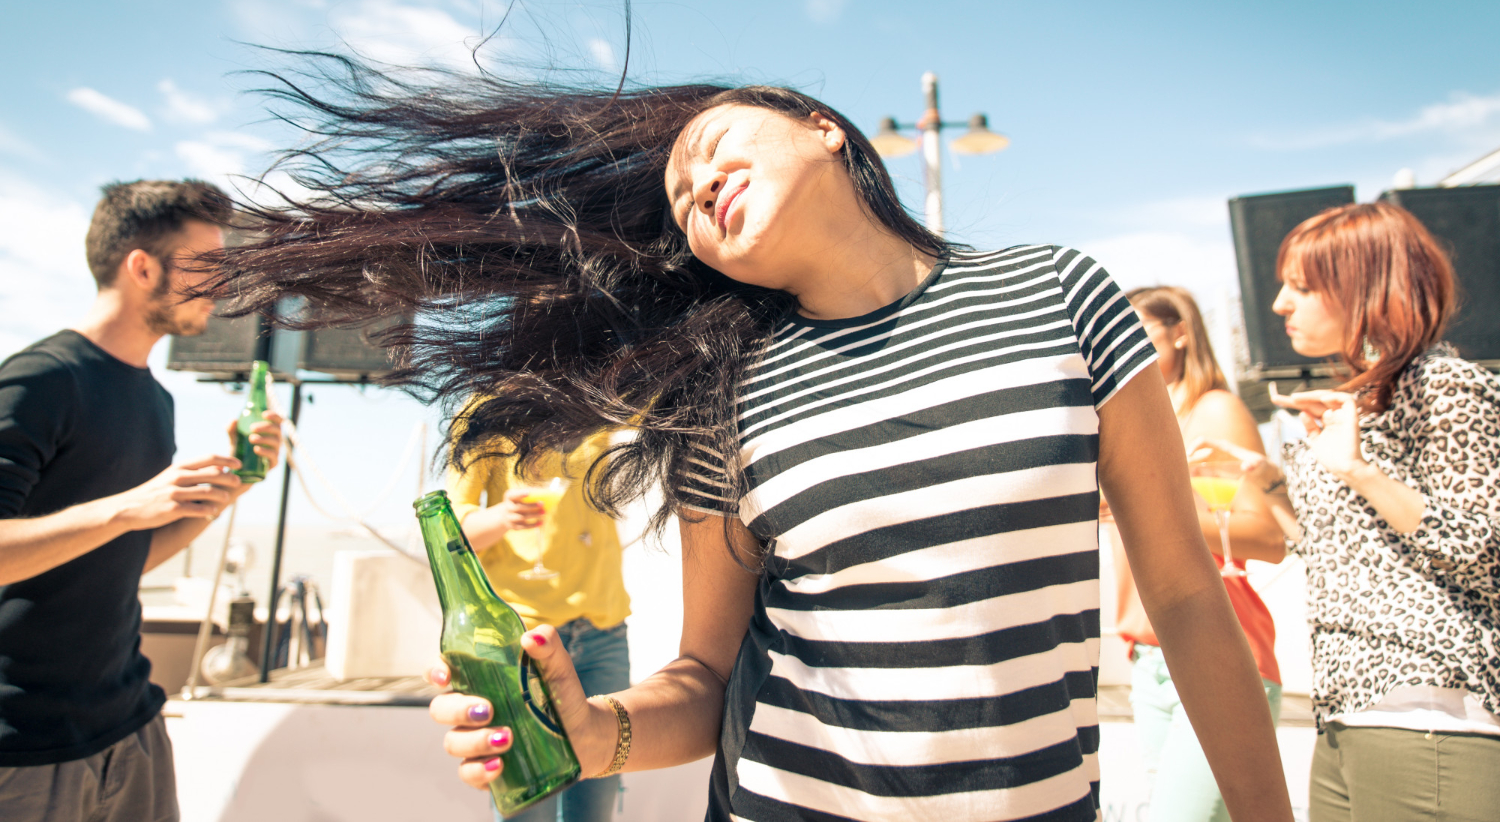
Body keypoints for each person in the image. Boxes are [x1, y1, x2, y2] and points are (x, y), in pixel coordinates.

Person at [219, 65, 1294, 822]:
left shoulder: (1056, 291)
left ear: (822, 124)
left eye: (710, 150)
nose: (697, 190)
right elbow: (703, 673)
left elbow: (1190, 598)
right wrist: (597, 734)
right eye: (682, 204)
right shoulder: (723, 396)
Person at [1201, 202, 1500, 822]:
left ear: (1367, 290)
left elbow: (1484, 550)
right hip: (1344, 712)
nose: (1280, 304)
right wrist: (1275, 484)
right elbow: (1341, 559)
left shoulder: (1445, 385)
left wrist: (1358, 471)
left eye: (1302, 287)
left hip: (1428, 711)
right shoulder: (1356, 399)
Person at [0, 180, 284, 822]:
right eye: (205, 266)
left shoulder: (153, 399)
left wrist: (226, 488)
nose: (221, 286)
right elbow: (118, 519)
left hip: (130, 726)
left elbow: (121, 557)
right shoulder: (39, 381)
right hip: (25, 750)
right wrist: (128, 506)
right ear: (142, 267)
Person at [1105, 286, 1286, 822]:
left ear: (1180, 332)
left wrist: (1130, 503)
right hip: (1150, 660)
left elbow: (1267, 537)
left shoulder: (1213, 409)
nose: (1122, 346)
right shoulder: (1133, 419)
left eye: (1138, 332)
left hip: (1219, 647)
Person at [446, 427, 631, 822]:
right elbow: (451, 529)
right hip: (522, 641)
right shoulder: (482, 410)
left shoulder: (596, 389)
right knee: (529, 808)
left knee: (595, 809)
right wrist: (502, 516)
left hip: (604, 631)